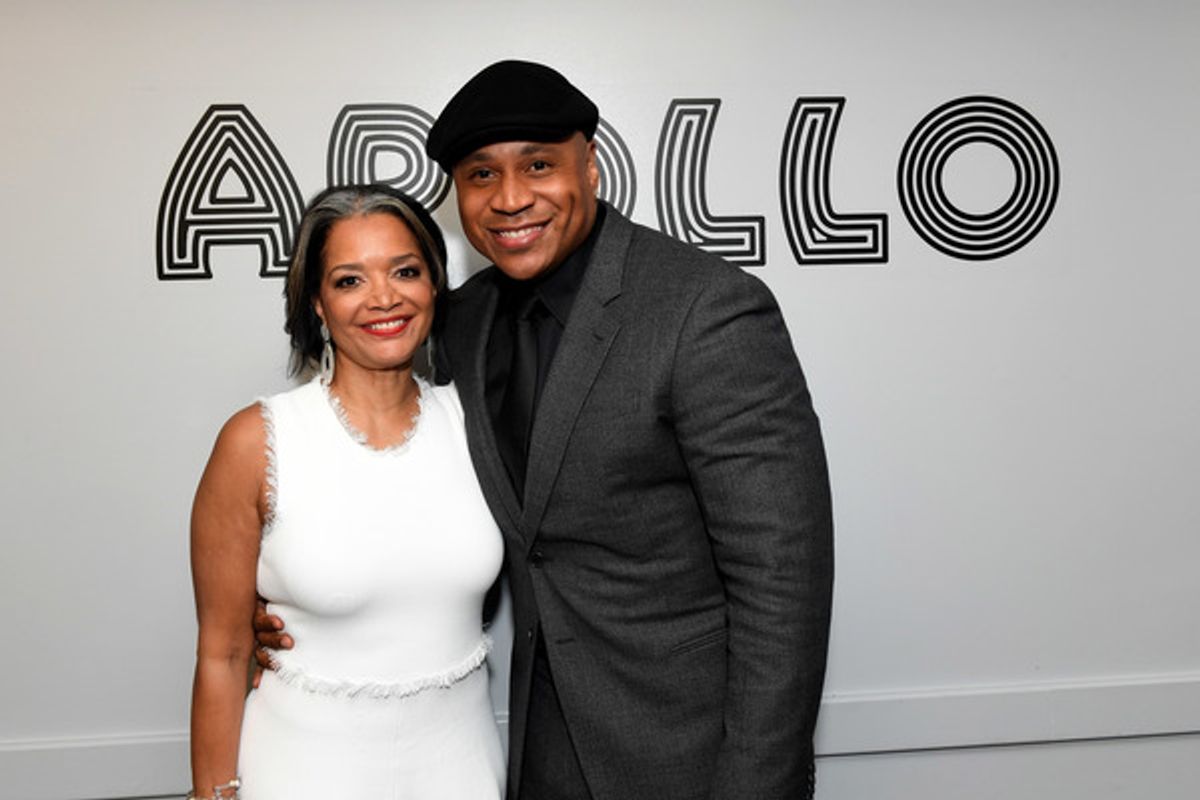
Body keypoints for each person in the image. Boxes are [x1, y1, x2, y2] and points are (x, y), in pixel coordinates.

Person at [258, 60, 835, 800]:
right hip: (536, 751)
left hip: (692, 755)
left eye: (538, 165)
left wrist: (757, 783)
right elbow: (378, 455)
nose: (510, 199)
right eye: (480, 175)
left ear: (590, 164)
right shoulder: (459, 320)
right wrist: (279, 593)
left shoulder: (706, 310)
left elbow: (782, 578)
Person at [189, 185, 506, 800]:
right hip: (303, 774)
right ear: (316, 303)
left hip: (462, 772)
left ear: (436, 285)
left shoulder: (481, 424)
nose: (384, 298)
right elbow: (223, 654)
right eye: (349, 281)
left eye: (405, 271)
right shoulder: (257, 441)